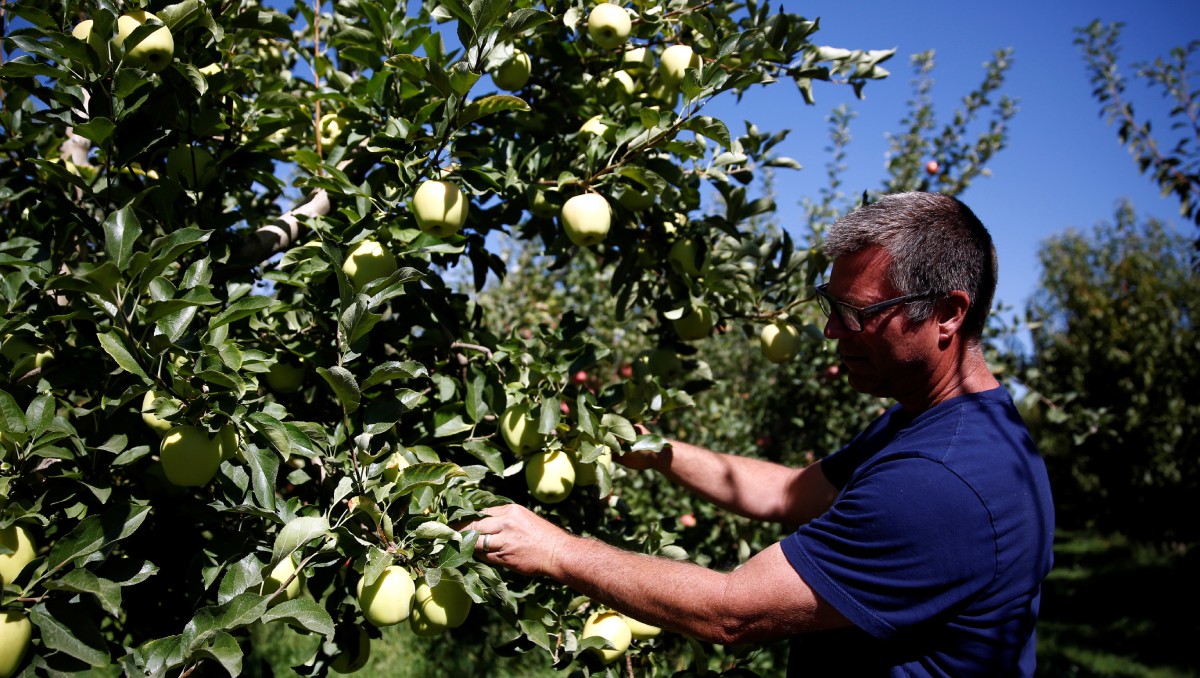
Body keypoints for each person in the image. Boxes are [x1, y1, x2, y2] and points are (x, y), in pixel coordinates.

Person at [463, 192, 1055, 676]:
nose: (829, 330)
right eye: (830, 303)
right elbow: (790, 494)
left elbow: (732, 614)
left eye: (855, 313)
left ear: (948, 313)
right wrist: (658, 451)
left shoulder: (943, 481)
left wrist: (561, 552)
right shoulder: (934, 424)